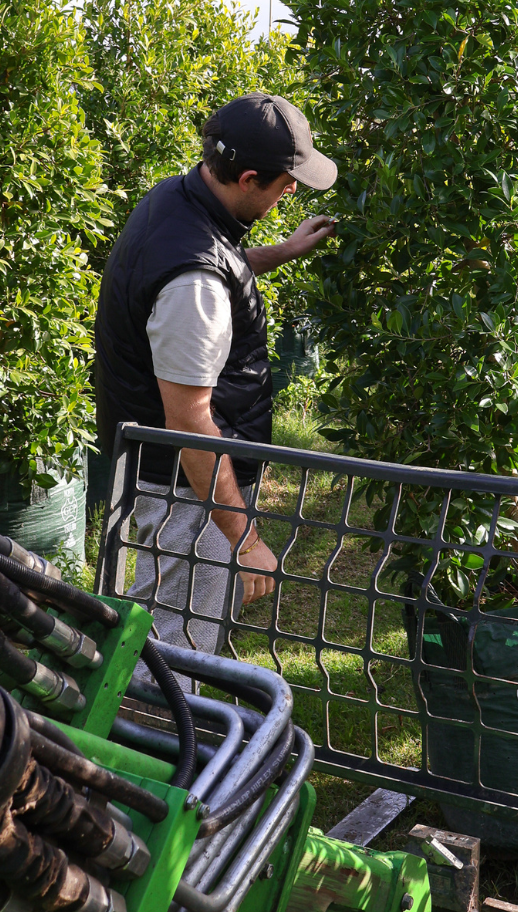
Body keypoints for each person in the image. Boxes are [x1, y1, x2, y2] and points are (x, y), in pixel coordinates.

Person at [94, 92, 337, 660]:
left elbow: (213, 263)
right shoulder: (193, 287)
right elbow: (189, 422)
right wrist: (244, 538)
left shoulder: (178, 201)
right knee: (178, 645)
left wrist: (282, 250)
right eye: (285, 182)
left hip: (172, 477)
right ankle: (158, 742)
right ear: (249, 177)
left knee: (152, 623)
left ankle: (142, 727)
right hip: (187, 489)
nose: (292, 192)